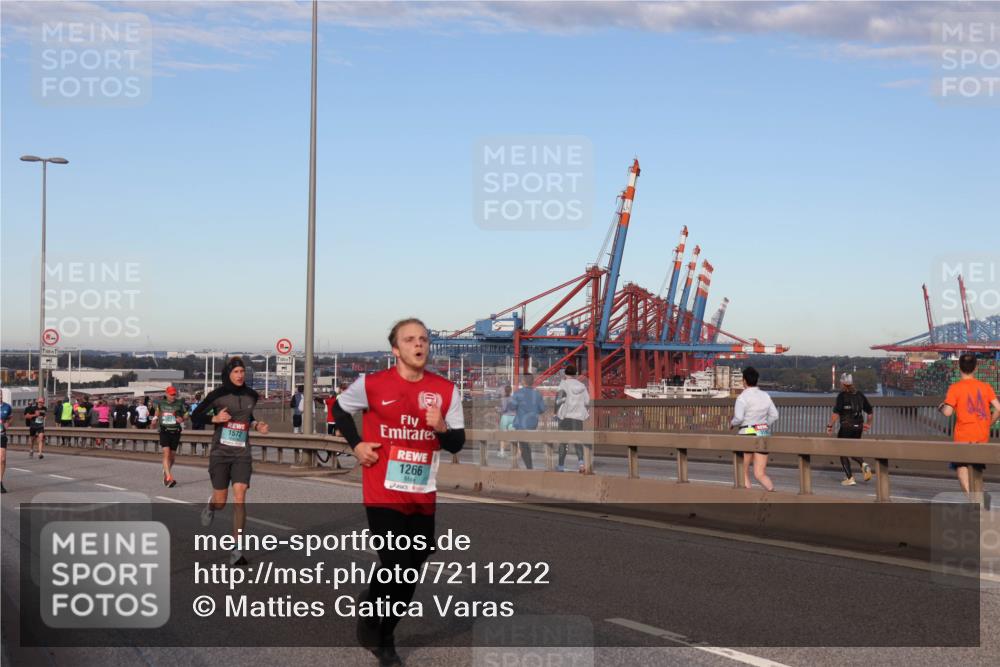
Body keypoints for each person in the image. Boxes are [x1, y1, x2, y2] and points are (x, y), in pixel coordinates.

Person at [331, 318, 465, 666]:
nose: (418, 344)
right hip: (382, 490)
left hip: (422, 493)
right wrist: (357, 445)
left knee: (412, 567)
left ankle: (372, 600)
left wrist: (442, 427)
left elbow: (457, 443)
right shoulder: (372, 385)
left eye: (423, 339)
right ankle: (383, 637)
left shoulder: (447, 390)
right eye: (410, 340)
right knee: (398, 565)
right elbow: (338, 410)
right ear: (396, 349)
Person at [192, 357, 269, 566]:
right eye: (236, 372)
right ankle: (210, 506)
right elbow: (196, 415)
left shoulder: (251, 395)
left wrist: (257, 425)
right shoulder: (218, 395)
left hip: (241, 454)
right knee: (221, 501)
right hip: (220, 453)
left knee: (240, 495)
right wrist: (214, 419)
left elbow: (248, 417)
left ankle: (236, 550)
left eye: (242, 371)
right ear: (228, 374)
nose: (240, 375)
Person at [940, 353, 1000, 495]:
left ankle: (975, 502)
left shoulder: (955, 388)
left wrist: (940, 407)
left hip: (963, 438)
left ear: (959, 367)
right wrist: (990, 422)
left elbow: (948, 412)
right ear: (976, 368)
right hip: (982, 436)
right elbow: (998, 408)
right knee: (976, 472)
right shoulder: (986, 387)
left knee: (962, 471)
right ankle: (982, 501)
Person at [730, 367, 778, 492]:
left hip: (746, 433)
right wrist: (763, 425)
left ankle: (747, 499)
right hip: (763, 433)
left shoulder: (742, 397)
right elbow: (775, 415)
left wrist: (732, 423)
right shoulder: (765, 395)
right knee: (760, 473)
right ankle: (773, 494)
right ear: (757, 380)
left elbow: (739, 418)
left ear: (744, 381)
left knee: (743, 471)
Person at [826, 373, 874, 486]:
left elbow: (835, 414)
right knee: (852, 450)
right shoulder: (860, 395)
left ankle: (850, 478)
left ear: (843, 383)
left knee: (842, 451)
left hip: (846, 427)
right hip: (859, 427)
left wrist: (829, 426)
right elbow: (870, 412)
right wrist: (868, 424)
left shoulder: (842, 396)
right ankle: (863, 464)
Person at [555, 366, 590, 473]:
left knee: (563, 442)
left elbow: (558, 401)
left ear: (566, 374)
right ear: (576, 374)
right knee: (578, 441)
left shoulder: (563, 384)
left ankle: (561, 466)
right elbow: (587, 402)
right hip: (577, 417)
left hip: (565, 417)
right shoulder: (582, 386)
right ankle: (581, 464)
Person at [510, 373, 546, 470]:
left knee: (523, 446)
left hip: (521, 424)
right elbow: (542, 409)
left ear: (523, 381)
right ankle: (527, 466)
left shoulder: (518, 393)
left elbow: (512, 407)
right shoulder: (538, 394)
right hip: (533, 423)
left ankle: (529, 467)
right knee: (525, 445)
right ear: (532, 382)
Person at [153, 386, 188, 487]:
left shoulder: (179, 403)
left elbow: (186, 414)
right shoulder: (161, 403)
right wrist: (155, 418)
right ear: (166, 394)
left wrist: (182, 418)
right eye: (171, 394)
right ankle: (169, 477)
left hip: (176, 431)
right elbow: (157, 412)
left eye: (174, 394)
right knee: (166, 453)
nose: (173, 396)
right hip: (164, 430)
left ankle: (166, 471)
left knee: (172, 457)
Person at [498, 385, 516, 458]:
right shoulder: (514, 399)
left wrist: (498, 409)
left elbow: (504, 409)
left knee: (503, 436)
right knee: (513, 436)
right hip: (514, 417)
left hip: (505, 417)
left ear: (505, 391)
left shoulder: (504, 399)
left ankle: (502, 452)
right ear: (511, 391)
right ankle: (515, 452)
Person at [1, 397, 12, 493]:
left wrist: (8, 423)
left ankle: (0, 482)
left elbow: (10, 418)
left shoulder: (7, 407)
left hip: (1, 435)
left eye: (0, 394)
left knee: (2, 459)